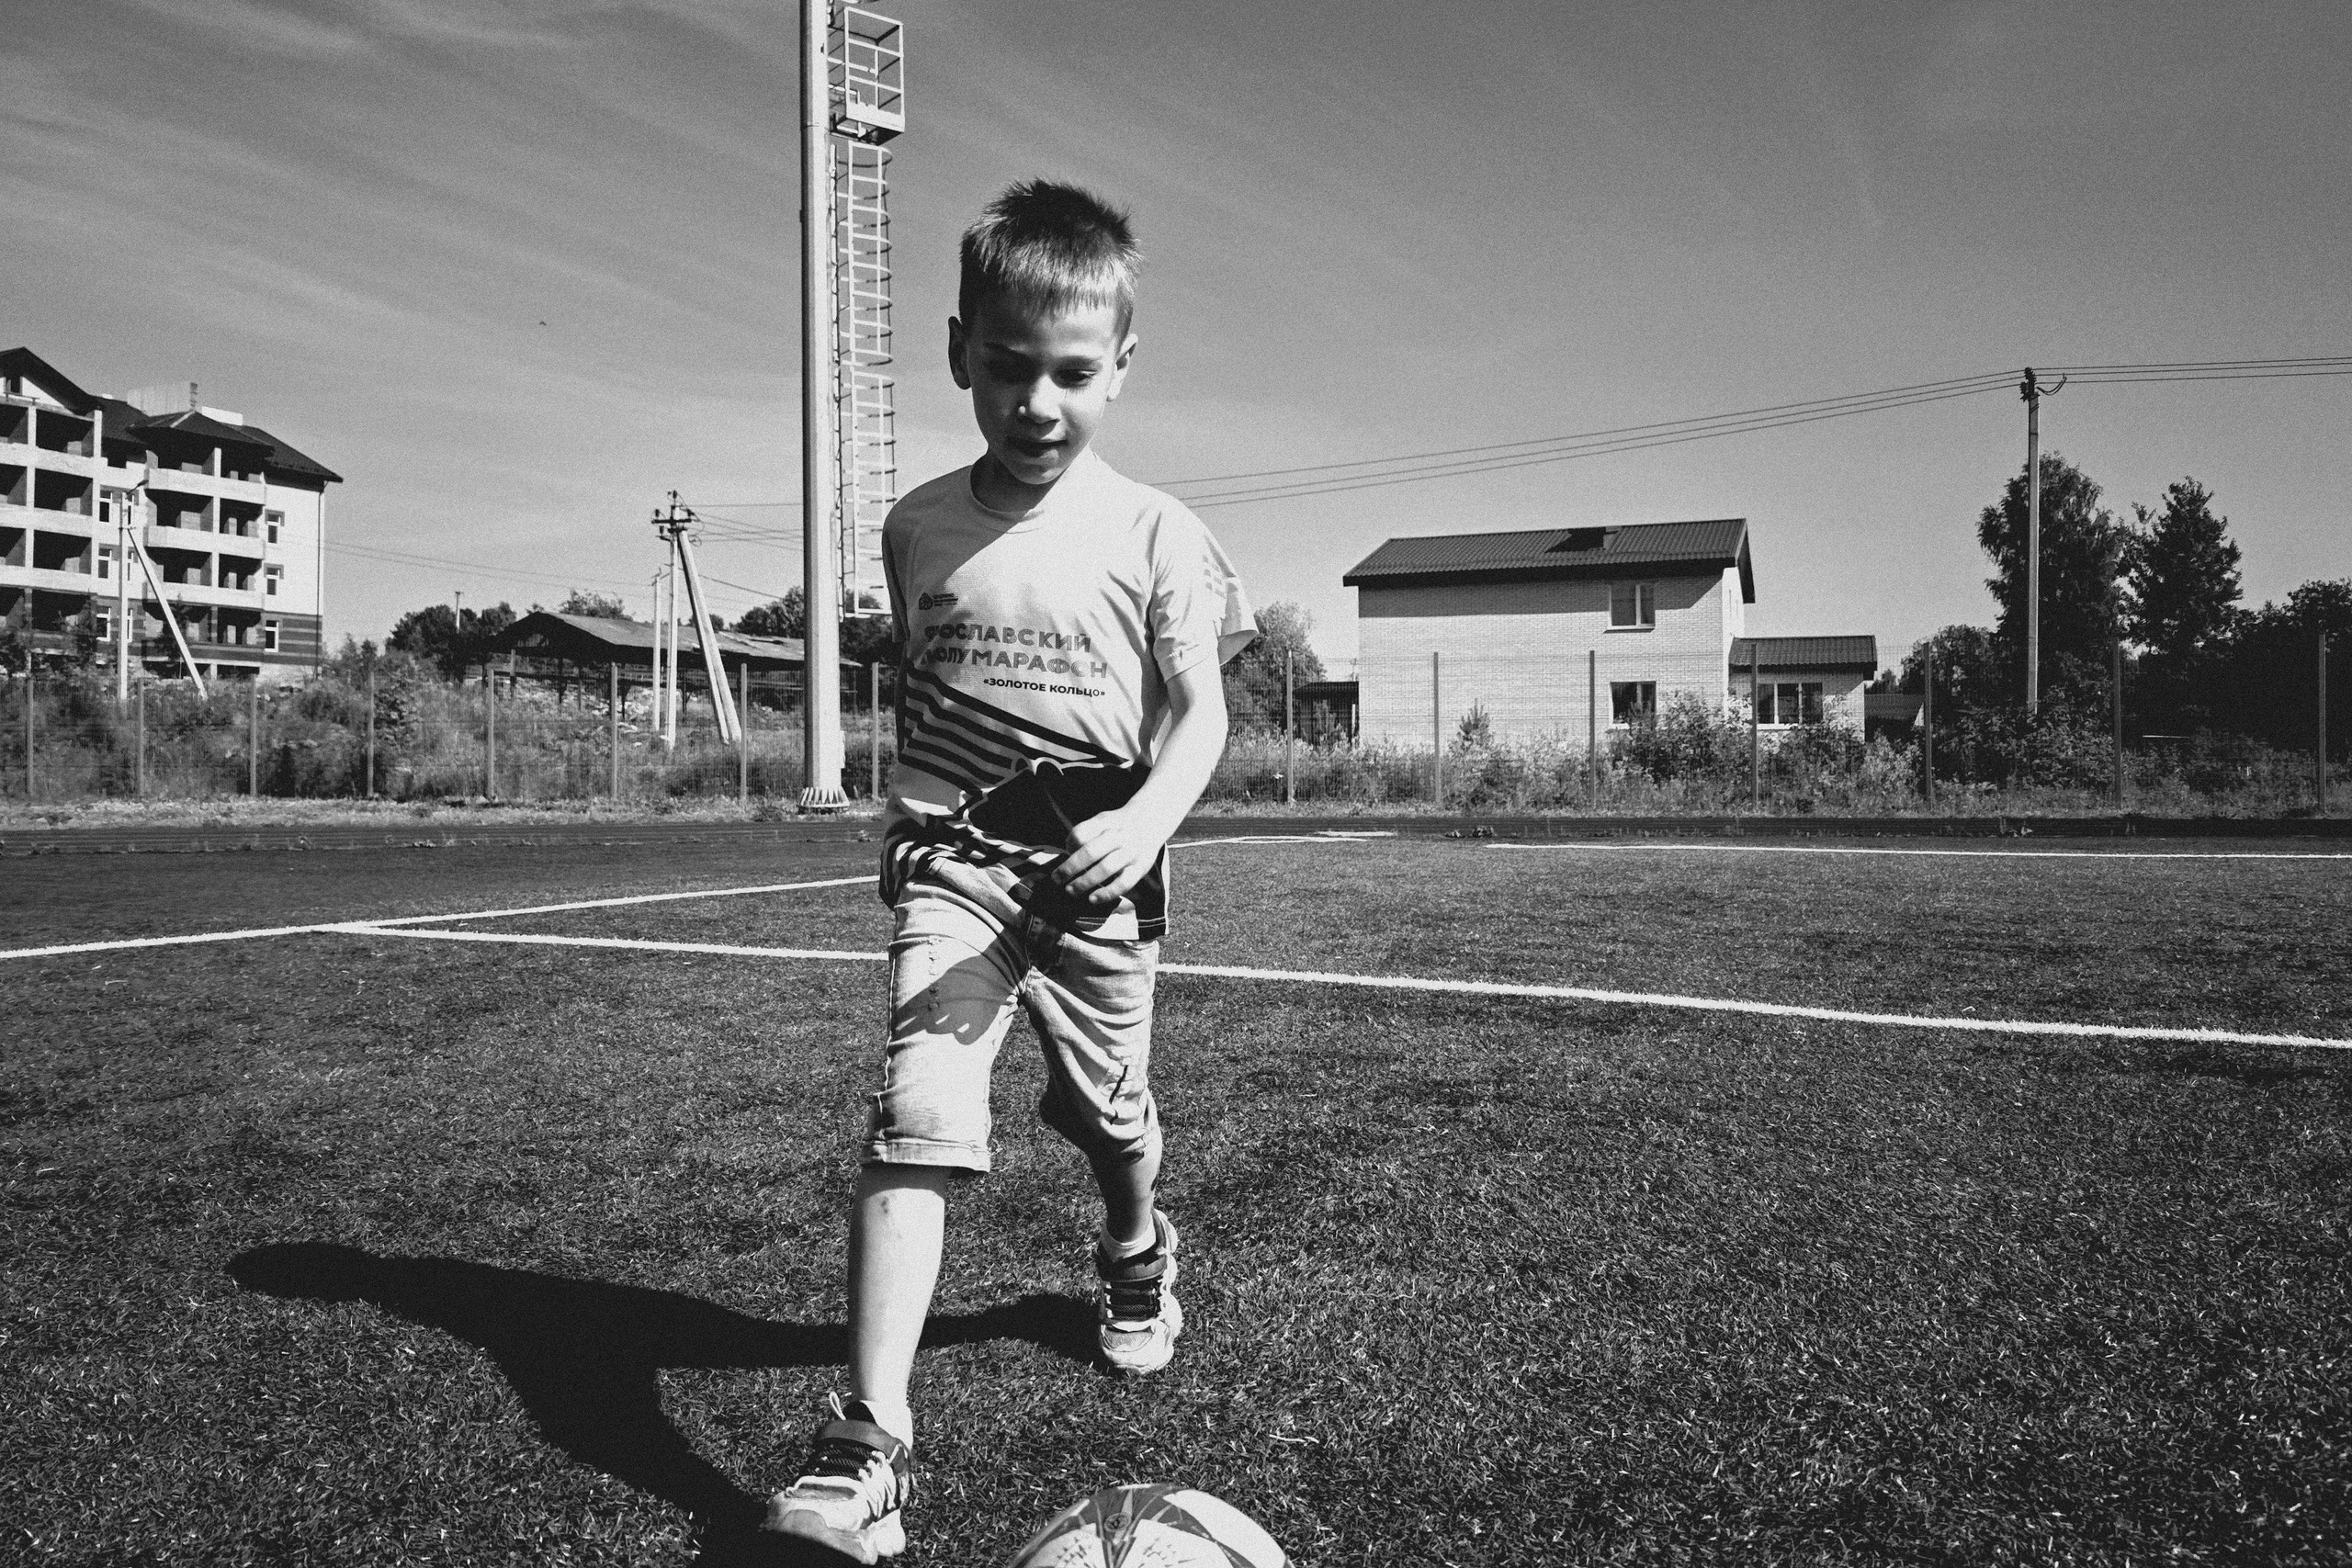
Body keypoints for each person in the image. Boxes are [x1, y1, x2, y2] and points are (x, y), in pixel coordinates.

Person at [763, 179, 1256, 1562]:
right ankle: (870, 1446)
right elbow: (926, 696)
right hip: (959, 870)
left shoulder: (1160, 533)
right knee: (917, 1112)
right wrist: (906, 827)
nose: (1036, 401)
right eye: (1006, 366)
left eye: (1073, 374)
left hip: (1100, 879)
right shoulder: (916, 525)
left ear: (1121, 368)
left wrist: (1148, 818)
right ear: (958, 349)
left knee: (1107, 1118)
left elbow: (1200, 711)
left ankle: (1137, 1243)